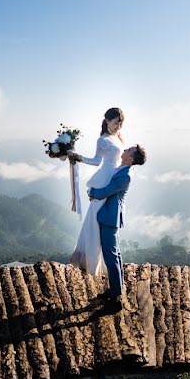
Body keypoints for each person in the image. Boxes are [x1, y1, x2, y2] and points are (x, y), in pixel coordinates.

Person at [88, 144, 146, 314]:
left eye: (129, 150)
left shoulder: (125, 175)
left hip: (110, 216)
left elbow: (108, 191)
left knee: (111, 256)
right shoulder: (121, 169)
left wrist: (92, 192)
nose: (126, 149)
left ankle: (117, 298)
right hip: (109, 215)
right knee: (115, 254)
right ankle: (115, 289)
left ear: (130, 158)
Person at [67, 107, 125, 277]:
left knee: (107, 219)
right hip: (104, 180)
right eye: (116, 123)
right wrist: (76, 156)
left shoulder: (118, 137)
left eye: (120, 124)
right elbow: (95, 161)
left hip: (114, 179)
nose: (118, 127)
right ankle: (90, 262)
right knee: (95, 221)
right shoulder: (103, 140)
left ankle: (107, 263)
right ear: (107, 121)